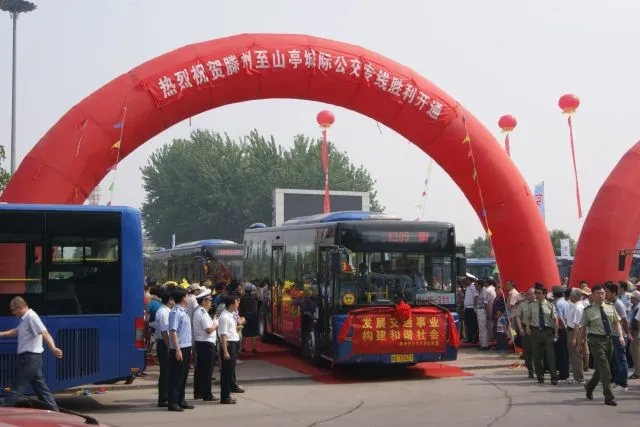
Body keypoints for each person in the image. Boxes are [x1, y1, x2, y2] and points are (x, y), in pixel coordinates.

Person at [0, 297, 63, 411]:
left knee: (18, 386)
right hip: (31, 358)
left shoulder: (32, 317)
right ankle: (55, 411)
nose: (13, 313)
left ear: (20, 307)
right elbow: (17, 331)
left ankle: (3, 408)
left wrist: (53, 348)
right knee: (41, 388)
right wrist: (2, 334)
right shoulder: (25, 319)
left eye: (13, 310)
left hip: (30, 358)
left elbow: (45, 333)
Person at [576, 284, 624, 406]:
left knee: (601, 369)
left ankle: (589, 387)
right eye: (598, 293)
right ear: (592, 295)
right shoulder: (588, 311)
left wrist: (621, 336)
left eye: (603, 293)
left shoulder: (610, 307)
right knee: (605, 368)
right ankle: (608, 396)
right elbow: (583, 328)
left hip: (608, 339)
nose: (601, 295)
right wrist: (579, 343)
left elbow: (616, 323)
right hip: (595, 340)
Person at [525, 283, 559, 385]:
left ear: (544, 294)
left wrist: (556, 333)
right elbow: (528, 318)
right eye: (536, 293)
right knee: (536, 356)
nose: (537, 295)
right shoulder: (532, 306)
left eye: (539, 293)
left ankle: (554, 377)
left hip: (547, 332)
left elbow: (555, 320)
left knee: (550, 355)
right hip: (535, 332)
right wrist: (527, 327)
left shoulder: (550, 305)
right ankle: (540, 376)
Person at [167, 287, 194, 412]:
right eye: (187, 296)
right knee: (176, 376)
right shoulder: (175, 312)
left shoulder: (184, 311)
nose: (188, 298)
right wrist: (177, 349)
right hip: (179, 347)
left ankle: (181, 400)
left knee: (183, 375)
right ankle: (173, 402)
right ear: (183, 298)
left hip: (186, 346)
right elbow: (173, 331)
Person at [192, 289, 218, 402]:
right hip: (206, 344)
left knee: (200, 369)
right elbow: (208, 329)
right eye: (209, 300)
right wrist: (216, 324)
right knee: (207, 370)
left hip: (202, 343)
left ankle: (199, 392)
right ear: (203, 301)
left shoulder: (200, 311)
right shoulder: (202, 312)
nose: (211, 302)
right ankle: (207, 394)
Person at [218, 295, 242, 404]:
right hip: (229, 345)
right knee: (226, 372)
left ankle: (227, 394)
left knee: (230, 370)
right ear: (231, 305)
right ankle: (225, 396)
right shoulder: (224, 317)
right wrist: (226, 351)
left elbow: (230, 330)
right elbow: (223, 335)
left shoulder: (231, 315)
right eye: (236, 303)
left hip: (234, 343)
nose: (237, 305)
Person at [155, 290, 174, 408]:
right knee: (165, 372)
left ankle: (167, 396)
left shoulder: (167, 311)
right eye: (173, 299)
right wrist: (169, 346)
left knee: (168, 371)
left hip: (166, 342)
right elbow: (164, 332)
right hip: (164, 343)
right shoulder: (163, 312)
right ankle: (163, 398)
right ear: (169, 300)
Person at [515, 288, 535, 378]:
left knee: (537, 351)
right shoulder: (522, 305)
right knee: (527, 351)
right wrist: (520, 329)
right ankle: (530, 371)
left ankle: (538, 369)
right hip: (525, 329)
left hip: (536, 329)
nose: (530, 296)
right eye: (528, 294)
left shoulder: (538, 304)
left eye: (532, 294)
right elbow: (518, 317)